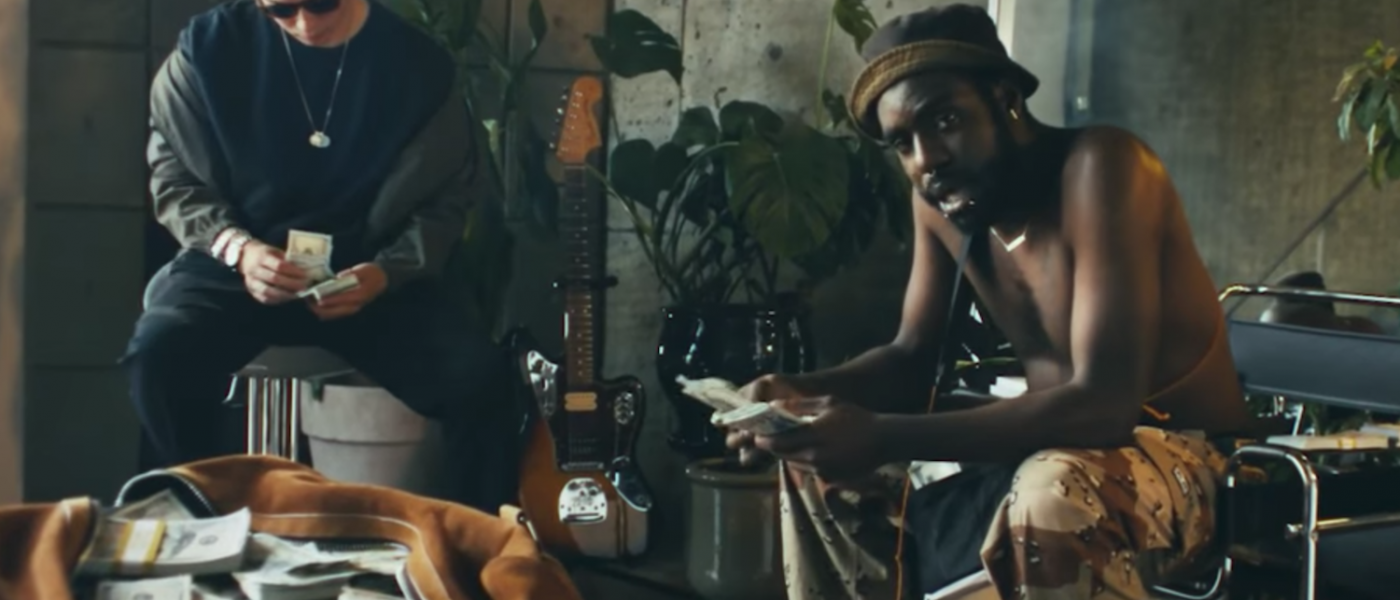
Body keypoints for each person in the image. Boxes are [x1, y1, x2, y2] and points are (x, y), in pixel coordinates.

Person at [725, 5, 1259, 599]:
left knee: (1053, 491)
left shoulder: (1103, 167)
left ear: (1006, 99)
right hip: (1053, 451)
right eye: (903, 143)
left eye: (946, 120)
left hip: (1198, 464)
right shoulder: (941, 202)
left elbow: (1105, 406)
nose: (927, 159)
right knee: (816, 462)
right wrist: (797, 393)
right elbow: (912, 360)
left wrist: (882, 434)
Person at [122, 0, 522, 513]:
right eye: (282, 9)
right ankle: (192, 524)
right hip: (236, 262)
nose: (305, 23)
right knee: (158, 356)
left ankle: (474, 542)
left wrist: (386, 272)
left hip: (370, 274)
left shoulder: (420, 68)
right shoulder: (207, 50)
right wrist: (240, 250)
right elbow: (174, 178)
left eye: (321, 3)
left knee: (481, 379)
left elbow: (446, 200)